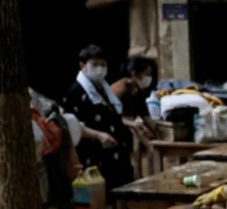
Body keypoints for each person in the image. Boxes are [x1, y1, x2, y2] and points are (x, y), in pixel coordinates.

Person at [62, 44, 135, 189]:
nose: (100, 68)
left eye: (103, 64)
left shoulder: (104, 89)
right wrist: (98, 135)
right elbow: (72, 125)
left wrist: (130, 124)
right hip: (94, 155)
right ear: (82, 65)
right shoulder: (75, 92)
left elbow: (111, 116)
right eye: (95, 64)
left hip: (116, 153)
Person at [110, 55, 157, 148]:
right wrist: (149, 144)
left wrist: (156, 132)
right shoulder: (120, 91)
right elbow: (113, 116)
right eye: (146, 74)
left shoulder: (138, 91)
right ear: (134, 74)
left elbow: (145, 116)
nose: (149, 78)